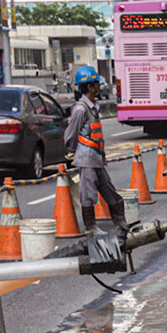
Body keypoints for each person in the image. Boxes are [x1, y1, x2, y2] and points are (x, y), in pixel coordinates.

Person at [64, 68, 126, 233]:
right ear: (89, 87)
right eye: (96, 83)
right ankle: (90, 227)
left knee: (109, 190)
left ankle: (121, 223)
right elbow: (70, 135)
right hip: (87, 158)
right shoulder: (80, 109)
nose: (99, 86)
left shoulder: (93, 107)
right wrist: (73, 151)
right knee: (88, 194)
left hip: (96, 158)